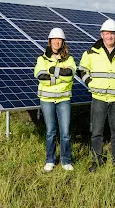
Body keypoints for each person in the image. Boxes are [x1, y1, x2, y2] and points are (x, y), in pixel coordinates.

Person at [78, 19, 115, 172]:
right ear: (102, 35)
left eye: (112, 33)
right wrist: (90, 83)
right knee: (96, 132)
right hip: (99, 98)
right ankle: (97, 161)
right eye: (107, 33)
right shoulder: (91, 53)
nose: (109, 36)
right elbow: (82, 70)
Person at [34, 27, 77, 172]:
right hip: (46, 99)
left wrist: (52, 72)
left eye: (59, 40)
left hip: (64, 99)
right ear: (50, 41)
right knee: (50, 131)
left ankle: (66, 160)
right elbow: (40, 76)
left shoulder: (69, 59)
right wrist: (58, 78)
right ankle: (50, 160)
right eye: (54, 39)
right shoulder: (41, 59)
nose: (57, 42)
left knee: (65, 132)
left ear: (63, 42)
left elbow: (70, 74)